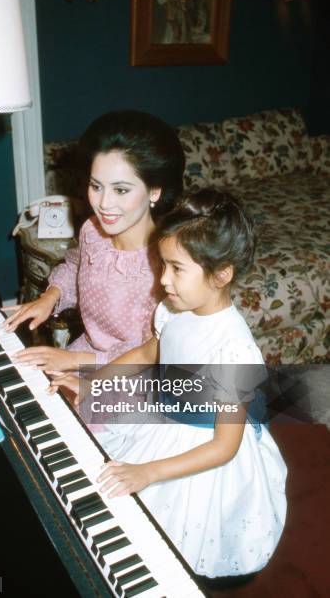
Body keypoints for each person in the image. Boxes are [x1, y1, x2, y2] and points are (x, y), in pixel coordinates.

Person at [52, 189, 287, 578]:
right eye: (162, 265)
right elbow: (148, 355)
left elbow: (223, 448)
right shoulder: (175, 310)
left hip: (204, 448)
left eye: (177, 269)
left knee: (172, 541)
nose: (163, 280)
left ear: (222, 274)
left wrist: (150, 472)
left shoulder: (233, 351)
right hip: (164, 417)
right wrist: (94, 382)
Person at [3, 110, 185, 372]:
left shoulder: (168, 262)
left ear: (154, 191)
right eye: (96, 186)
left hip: (131, 376)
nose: (103, 204)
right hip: (85, 352)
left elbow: (151, 349)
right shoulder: (93, 230)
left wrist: (73, 361)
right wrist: (49, 298)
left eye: (121, 190)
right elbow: (76, 269)